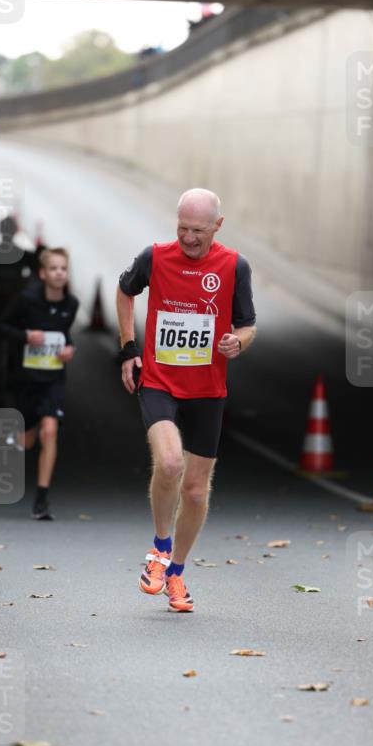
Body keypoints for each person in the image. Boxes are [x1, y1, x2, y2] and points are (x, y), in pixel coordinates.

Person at [117, 188, 256, 613]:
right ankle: (159, 550)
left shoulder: (234, 266)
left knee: (195, 491)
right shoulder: (155, 257)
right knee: (171, 464)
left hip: (208, 391)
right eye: (182, 228)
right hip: (159, 380)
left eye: (197, 230)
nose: (189, 239)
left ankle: (176, 572)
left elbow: (247, 324)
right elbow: (125, 292)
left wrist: (238, 342)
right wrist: (128, 348)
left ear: (218, 225)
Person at [0, 248, 78, 521]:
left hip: (53, 379)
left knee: (49, 431)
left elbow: (65, 336)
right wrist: (25, 336)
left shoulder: (72, 304)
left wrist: (70, 348)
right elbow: (0, 327)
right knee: (28, 440)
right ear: (43, 274)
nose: (59, 273)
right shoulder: (26, 300)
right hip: (26, 379)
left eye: (63, 269)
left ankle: (41, 499)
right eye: (54, 268)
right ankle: (14, 441)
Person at [0, 215, 35, 405]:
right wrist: (21, 285)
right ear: (15, 231)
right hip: (15, 311)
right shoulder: (23, 255)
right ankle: (10, 386)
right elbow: (38, 272)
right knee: (15, 352)